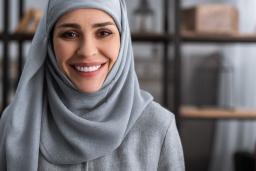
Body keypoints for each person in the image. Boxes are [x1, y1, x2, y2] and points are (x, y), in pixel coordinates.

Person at [0, 0, 185, 170]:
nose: (87, 51)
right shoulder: (15, 122)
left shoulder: (158, 126)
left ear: (123, 39)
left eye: (104, 33)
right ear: (48, 42)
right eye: (70, 34)